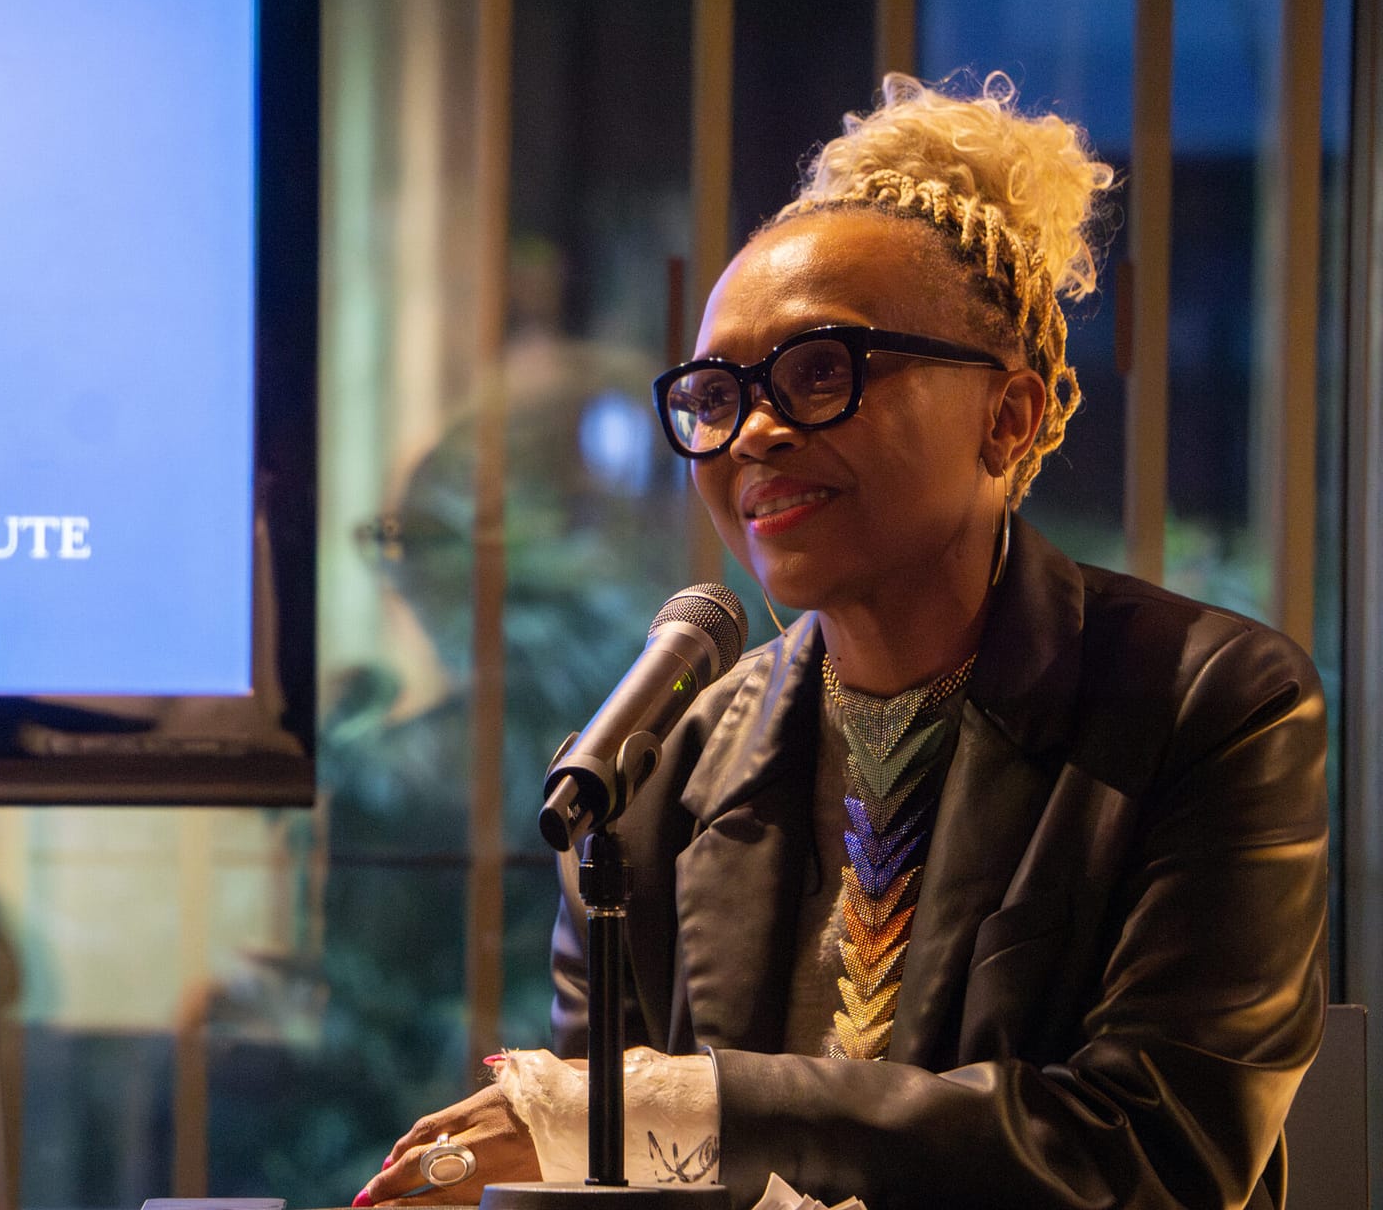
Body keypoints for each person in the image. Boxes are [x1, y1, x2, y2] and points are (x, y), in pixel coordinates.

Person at [356, 72, 1328, 1210]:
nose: (754, 430)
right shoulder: (655, 767)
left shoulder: (1209, 704)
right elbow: (604, 1173)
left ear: (1006, 418)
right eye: (716, 394)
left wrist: (694, 1104)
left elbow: (1155, 1152)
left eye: (823, 372)